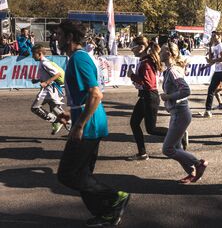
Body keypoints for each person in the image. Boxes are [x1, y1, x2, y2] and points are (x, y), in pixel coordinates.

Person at [55, 20, 130, 227]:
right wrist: (72, 113)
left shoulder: (79, 59)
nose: (57, 38)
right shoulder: (76, 59)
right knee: (82, 175)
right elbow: (83, 96)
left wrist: (79, 125)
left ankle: (116, 196)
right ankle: (107, 213)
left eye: (60, 34)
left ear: (70, 37)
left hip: (89, 125)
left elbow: (96, 94)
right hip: (87, 120)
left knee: (68, 175)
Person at [160, 42, 208, 184]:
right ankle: (192, 173)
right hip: (177, 113)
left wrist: (168, 97)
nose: (159, 53)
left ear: (168, 53)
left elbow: (186, 90)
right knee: (177, 147)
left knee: (168, 149)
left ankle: (198, 163)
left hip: (181, 113)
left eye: (162, 51)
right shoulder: (170, 69)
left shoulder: (174, 70)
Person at [126, 36, 163, 160]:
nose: (132, 50)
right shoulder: (144, 61)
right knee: (134, 123)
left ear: (141, 47)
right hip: (145, 96)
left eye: (133, 47)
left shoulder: (146, 63)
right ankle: (142, 153)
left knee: (151, 129)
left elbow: (148, 84)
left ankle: (180, 134)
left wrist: (132, 76)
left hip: (150, 97)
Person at [30, 44, 69, 135]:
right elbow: (48, 75)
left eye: (33, 54)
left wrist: (46, 82)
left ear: (39, 53)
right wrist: (38, 80)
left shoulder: (45, 63)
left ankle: (56, 121)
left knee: (35, 108)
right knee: (56, 109)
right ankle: (72, 127)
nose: (32, 56)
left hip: (49, 90)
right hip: (51, 90)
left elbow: (58, 74)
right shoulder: (43, 62)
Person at [199, 31, 222, 117]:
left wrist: (212, 61)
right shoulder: (214, 47)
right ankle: (208, 111)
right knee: (211, 90)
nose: (212, 37)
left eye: (214, 35)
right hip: (217, 73)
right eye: (212, 35)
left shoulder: (221, 46)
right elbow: (211, 60)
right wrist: (205, 66)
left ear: (219, 36)